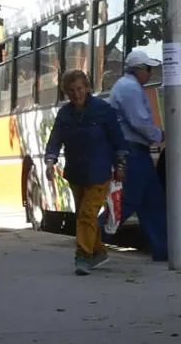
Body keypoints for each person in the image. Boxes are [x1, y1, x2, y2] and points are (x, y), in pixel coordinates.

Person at [44, 70, 127, 276]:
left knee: (87, 214)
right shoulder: (65, 114)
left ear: (87, 88)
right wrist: (50, 161)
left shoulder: (103, 110)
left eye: (79, 89)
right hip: (76, 172)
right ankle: (98, 252)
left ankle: (83, 256)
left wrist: (121, 164)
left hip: (99, 173)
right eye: (71, 91)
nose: (76, 94)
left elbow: (117, 139)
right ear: (66, 92)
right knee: (84, 215)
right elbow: (56, 138)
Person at [108, 49, 168, 262]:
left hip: (134, 150)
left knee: (151, 201)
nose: (150, 74)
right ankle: (93, 235)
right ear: (138, 69)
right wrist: (160, 134)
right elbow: (139, 121)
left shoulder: (126, 86)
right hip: (132, 151)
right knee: (130, 201)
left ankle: (164, 249)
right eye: (148, 69)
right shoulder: (130, 89)